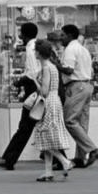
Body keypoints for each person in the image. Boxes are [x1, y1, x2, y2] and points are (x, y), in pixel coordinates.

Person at [0, 22, 41, 170]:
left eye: (21, 32)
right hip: (39, 89)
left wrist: (19, 81)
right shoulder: (37, 46)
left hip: (33, 90)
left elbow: (33, 73)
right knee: (43, 125)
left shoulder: (30, 49)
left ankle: (10, 158)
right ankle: (61, 160)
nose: (19, 35)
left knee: (25, 127)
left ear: (24, 34)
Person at [59, 24, 98, 168]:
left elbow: (69, 70)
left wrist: (55, 64)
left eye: (63, 35)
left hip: (76, 86)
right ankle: (80, 157)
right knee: (82, 123)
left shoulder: (70, 49)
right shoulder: (83, 49)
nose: (61, 38)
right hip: (87, 85)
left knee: (69, 120)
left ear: (70, 35)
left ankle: (92, 150)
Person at [30, 39, 72, 182]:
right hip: (55, 101)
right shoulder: (52, 66)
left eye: (36, 51)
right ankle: (48, 171)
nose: (34, 53)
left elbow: (44, 91)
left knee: (44, 135)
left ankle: (64, 161)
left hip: (48, 102)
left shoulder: (46, 68)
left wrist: (34, 80)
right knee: (47, 136)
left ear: (39, 53)